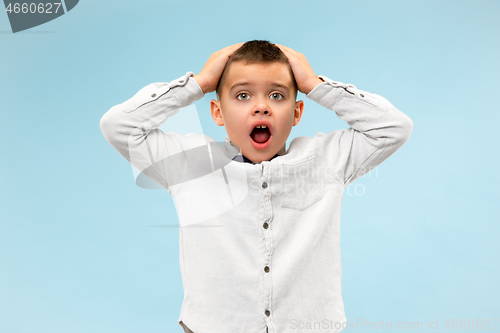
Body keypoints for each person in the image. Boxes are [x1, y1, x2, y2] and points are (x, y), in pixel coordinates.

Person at [100, 40, 413, 333]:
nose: (261, 107)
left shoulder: (327, 160)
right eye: (242, 95)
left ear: (297, 112)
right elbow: (119, 126)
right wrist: (199, 82)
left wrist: (315, 85)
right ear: (217, 113)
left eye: (277, 96)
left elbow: (393, 128)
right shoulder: (191, 164)